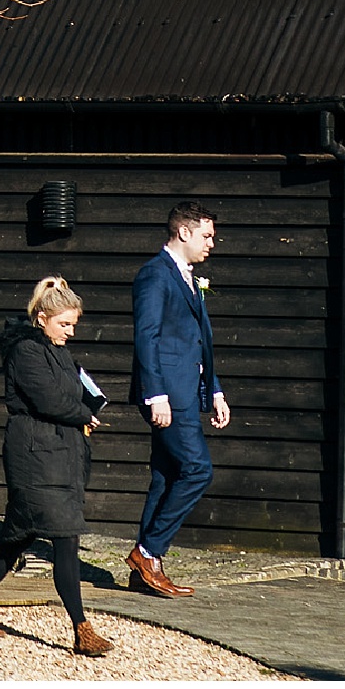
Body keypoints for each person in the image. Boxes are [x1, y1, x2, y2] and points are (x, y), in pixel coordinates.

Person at [0, 276, 112, 656]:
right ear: (42, 318)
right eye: (64, 323)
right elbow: (49, 400)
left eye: (73, 324)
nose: (70, 332)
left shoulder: (56, 349)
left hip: (60, 456)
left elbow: (74, 392)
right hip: (35, 455)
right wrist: (82, 415)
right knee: (65, 538)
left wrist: (87, 410)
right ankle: (81, 627)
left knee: (18, 537)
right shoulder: (26, 351)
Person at [127, 199, 229, 597]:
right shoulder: (154, 276)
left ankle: (145, 570)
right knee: (198, 470)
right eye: (206, 236)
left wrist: (215, 389)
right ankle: (148, 551)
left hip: (189, 391)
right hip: (167, 394)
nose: (211, 244)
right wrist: (156, 395)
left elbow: (196, 341)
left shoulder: (187, 277)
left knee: (166, 475)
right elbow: (147, 338)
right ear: (183, 232)